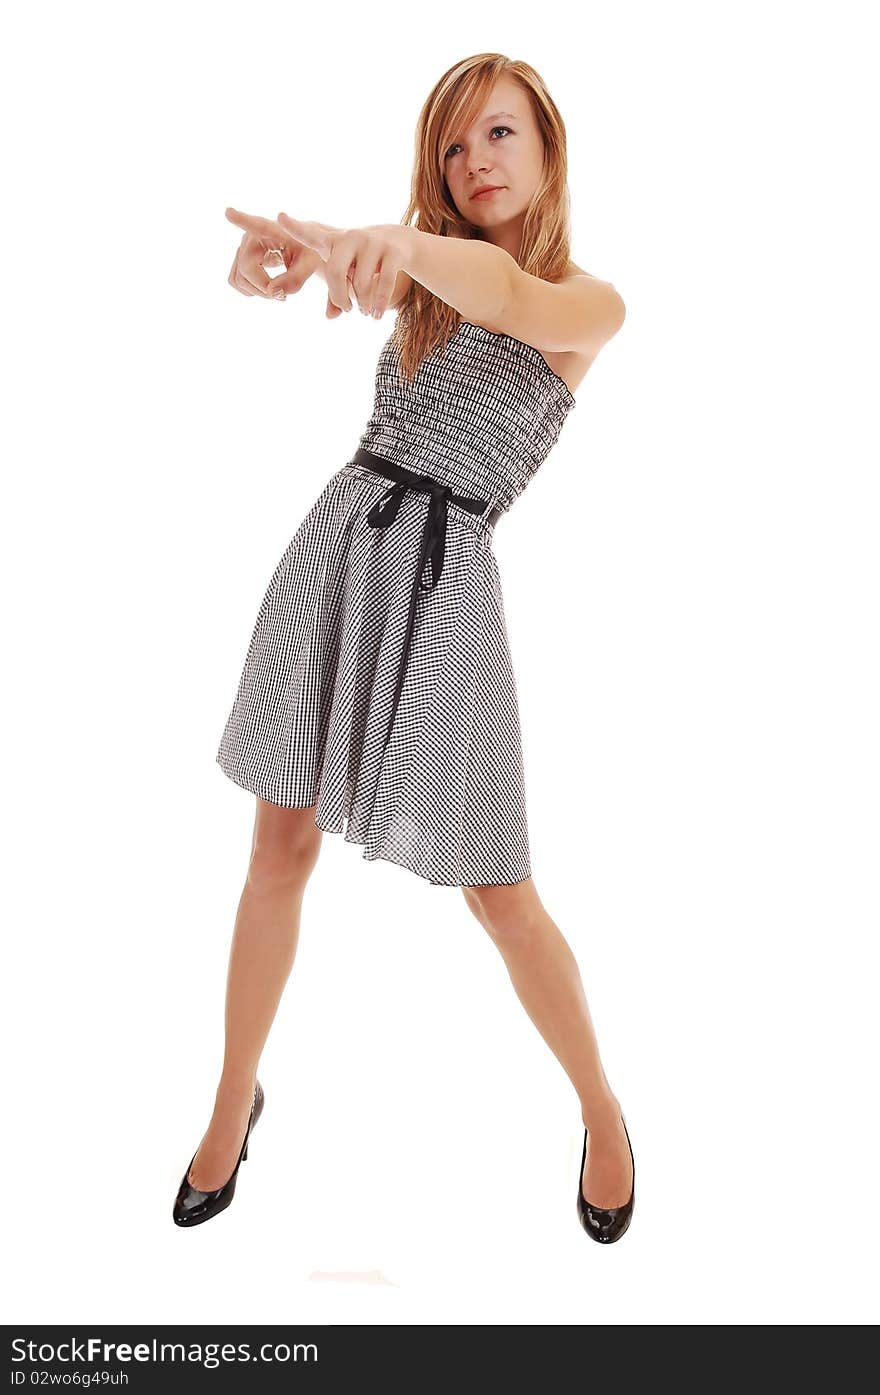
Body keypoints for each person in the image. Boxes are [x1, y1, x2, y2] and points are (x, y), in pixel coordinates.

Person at [173, 53, 634, 1243]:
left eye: (497, 136)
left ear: (547, 150)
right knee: (277, 844)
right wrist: (298, 258)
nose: (473, 162)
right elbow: (379, 272)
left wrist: (395, 241)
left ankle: (603, 1109)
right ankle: (233, 1097)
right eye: (452, 145)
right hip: (339, 543)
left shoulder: (586, 303)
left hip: (445, 583)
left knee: (499, 891)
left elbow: (505, 297)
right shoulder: (422, 275)